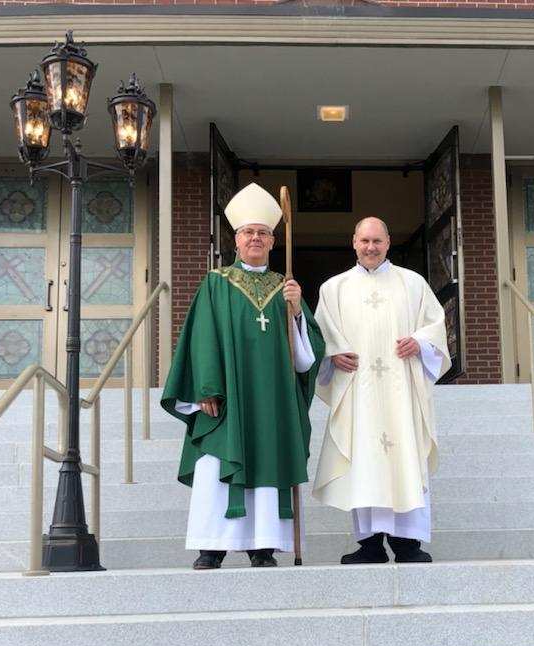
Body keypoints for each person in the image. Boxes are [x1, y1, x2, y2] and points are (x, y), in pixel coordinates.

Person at [161, 183, 325, 569]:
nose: (256, 238)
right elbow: (201, 336)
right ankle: (211, 546)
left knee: (267, 455)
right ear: (236, 240)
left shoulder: (285, 288)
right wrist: (206, 388)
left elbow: (306, 358)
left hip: (271, 399)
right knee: (218, 461)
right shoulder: (216, 283)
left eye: (263, 233)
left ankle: (262, 545)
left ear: (272, 241)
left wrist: (298, 312)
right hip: (227, 396)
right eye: (248, 232)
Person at [313, 217, 450, 564]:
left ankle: (408, 545)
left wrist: (419, 343)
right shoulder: (334, 288)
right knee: (363, 461)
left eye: (377, 241)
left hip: (401, 392)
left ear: (388, 242)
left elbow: (435, 327)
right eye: (364, 241)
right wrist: (331, 355)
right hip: (358, 392)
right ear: (353, 242)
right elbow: (321, 337)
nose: (370, 247)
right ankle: (370, 543)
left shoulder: (412, 283)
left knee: (403, 456)